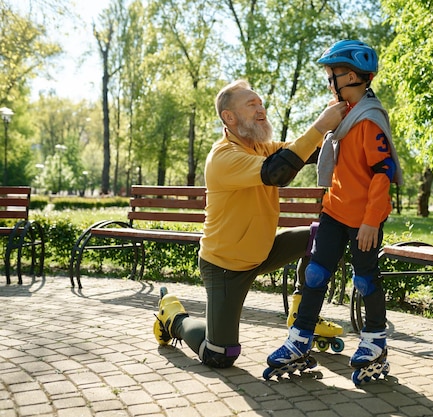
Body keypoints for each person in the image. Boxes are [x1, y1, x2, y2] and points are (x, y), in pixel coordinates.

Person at [152, 79, 347, 369]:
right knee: (220, 354)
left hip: (262, 252)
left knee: (321, 237)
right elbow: (277, 172)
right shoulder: (224, 156)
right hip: (226, 267)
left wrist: (336, 122)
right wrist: (320, 126)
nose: (261, 109)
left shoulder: (260, 147)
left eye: (260, 103)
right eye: (251, 104)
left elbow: (304, 152)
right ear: (228, 117)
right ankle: (174, 318)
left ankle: (300, 313)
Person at [265, 40, 403, 384]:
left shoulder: (369, 121)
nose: (329, 84)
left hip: (364, 221)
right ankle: (299, 340)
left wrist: (372, 221)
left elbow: (382, 175)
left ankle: (375, 342)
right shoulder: (339, 115)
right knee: (314, 275)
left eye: (333, 76)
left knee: (364, 279)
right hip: (334, 212)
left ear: (353, 77)